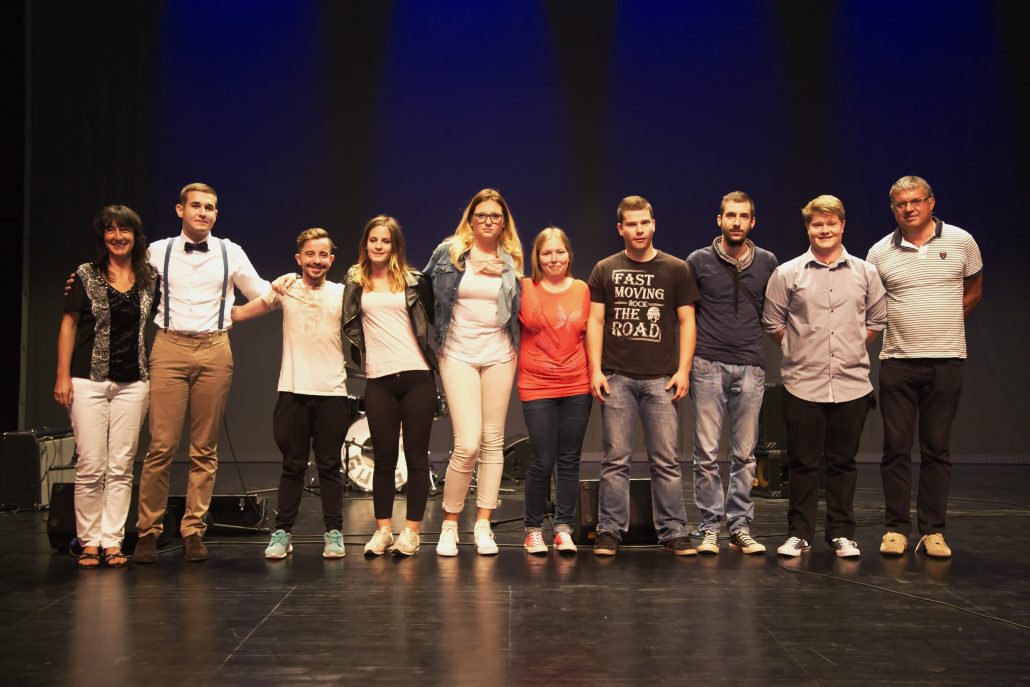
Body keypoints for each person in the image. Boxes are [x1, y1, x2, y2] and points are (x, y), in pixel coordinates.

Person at [133, 183, 271, 563]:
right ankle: (148, 531)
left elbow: (262, 293)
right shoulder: (158, 251)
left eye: (210, 207)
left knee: (204, 446)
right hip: (169, 346)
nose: (203, 212)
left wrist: (246, 309)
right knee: (161, 445)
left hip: (214, 348)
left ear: (216, 214)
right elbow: (125, 284)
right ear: (180, 210)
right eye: (196, 206)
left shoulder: (229, 251)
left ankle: (193, 529)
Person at [762, 195, 887, 558]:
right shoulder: (788, 272)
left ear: (842, 226)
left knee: (843, 463)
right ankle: (799, 534)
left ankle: (841, 534)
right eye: (817, 224)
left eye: (831, 223)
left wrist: (850, 345)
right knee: (803, 464)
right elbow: (772, 321)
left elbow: (877, 319)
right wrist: (799, 348)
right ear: (808, 228)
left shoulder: (866, 272)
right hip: (803, 383)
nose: (825, 230)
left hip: (852, 384)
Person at [867, 176, 983, 559]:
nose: (909, 208)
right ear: (893, 209)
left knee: (937, 449)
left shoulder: (962, 241)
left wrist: (944, 322)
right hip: (897, 361)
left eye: (916, 201)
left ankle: (933, 531)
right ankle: (896, 529)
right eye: (901, 204)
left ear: (931, 202)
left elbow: (974, 290)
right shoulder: (879, 252)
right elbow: (871, 305)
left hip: (947, 360)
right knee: (895, 449)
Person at [586, 195, 700, 556]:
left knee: (665, 458)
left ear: (653, 225)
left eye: (644, 223)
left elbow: (687, 321)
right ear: (620, 228)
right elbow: (595, 321)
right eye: (632, 224)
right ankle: (609, 530)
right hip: (617, 376)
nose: (639, 230)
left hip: (661, 378)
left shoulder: (675, 268)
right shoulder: (604, 268)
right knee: (615, 458)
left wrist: (683, 370)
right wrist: (595, 370)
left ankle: (673, 530)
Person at [232, 228, 352, 559]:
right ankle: (282, 533)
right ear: (299, 258)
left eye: (323, 255)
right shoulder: (285, 289)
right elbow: (240, 313)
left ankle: (334, 533)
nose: (316, 260)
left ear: (331, 259)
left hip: (332, 392)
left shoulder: (342, 293)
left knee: (329, 466)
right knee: (293, 465)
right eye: (310, 254)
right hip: (293, 391)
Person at [55, 205, 158, 569]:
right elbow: (69, 325)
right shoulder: (85, 275)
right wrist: (62, 375)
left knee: (121, 466)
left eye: (124, 230)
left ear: (135, 236)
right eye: (110, 230)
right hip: (88, 381)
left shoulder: (150, 279)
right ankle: (89, 542)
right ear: (102, 236)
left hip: (134, 382)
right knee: (90, 464)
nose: (118, 236)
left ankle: (112, 541)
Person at [424, 188, 522, 556]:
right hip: (457, 353)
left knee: (492, 440)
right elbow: (423, 291)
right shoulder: (449, 253)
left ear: (504, 222)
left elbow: (517, 308)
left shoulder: (511, 258)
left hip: (499, 353)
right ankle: (450, 523)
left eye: (495, 216)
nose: (488, 221)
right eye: (482, 215)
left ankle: (483, 524)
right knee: (467, 443)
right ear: (471, 219)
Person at [686, 191, 778, 555]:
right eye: (730, 216)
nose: (736, 222)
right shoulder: (698, 261)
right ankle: (709, 527)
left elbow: (775, 312)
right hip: (708, 364)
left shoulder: (768, 262)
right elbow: (686, 316)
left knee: (745, 455)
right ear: (719, 220)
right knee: (706, 454)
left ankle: (739, 526)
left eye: (743, 216)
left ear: (752, 222)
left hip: (751, 366)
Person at [342, 216, 437, 558]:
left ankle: (411, 532)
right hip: (379, 379)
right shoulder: (355, 281)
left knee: (416, 457)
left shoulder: (414, 281)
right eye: (373, 240)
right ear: (365, 244)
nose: (379, 246)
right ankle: (383, 530)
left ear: (395, 245)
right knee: (383, 459)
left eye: (385, 240)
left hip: (416, 376)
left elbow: (435, 318)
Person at [518, 227, 592, 555]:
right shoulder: (524, 288)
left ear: (569, 255)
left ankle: (563, 529)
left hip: (577, 384)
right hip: (537, 385)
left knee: (569, 459)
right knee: (543, 459)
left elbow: (590, 334)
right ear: (537, 257)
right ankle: (533, 530)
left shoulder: (582, 289)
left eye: (559, 252)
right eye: (546, 253)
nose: (553, 259)